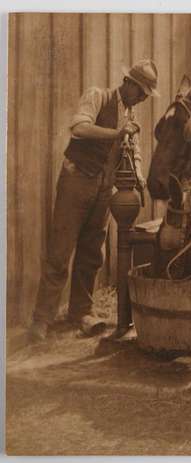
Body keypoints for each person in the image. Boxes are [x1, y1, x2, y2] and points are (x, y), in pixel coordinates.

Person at [28, 59, 160, 342]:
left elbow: (133, 149)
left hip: (103, 187)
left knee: (91, 252)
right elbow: (79, 128)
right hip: (77, 180)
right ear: (129, 84)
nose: (143, 99)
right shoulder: (97, 96)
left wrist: (139, 175)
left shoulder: (130, 116)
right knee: (60, 252)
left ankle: (81, 312)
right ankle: (42, 319)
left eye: (146, 96)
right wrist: (116, 133)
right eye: (141, 93)